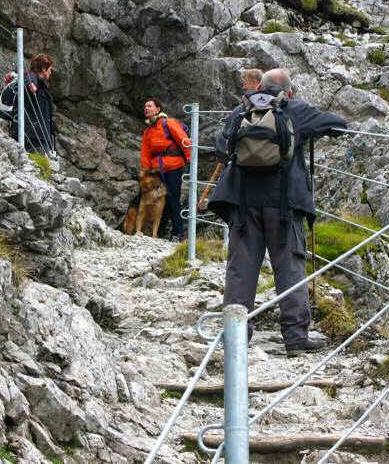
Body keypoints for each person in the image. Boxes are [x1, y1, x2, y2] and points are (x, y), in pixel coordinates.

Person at [208, 68, 347, 356]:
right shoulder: (294, 108)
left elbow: (222, 146)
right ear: (289, 90)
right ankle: (296, 339)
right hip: (284, 206)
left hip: (244, 205)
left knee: (240, 270)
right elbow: (338, 123)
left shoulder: (243, 108)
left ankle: (236, 337)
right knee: (290, 269)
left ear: (261, 86)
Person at [140, 98, 191, 241]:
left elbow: (184, 140)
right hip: (157, 169)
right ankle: (159, 232)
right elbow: (145, 153)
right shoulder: (148, 132)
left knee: (173, 198)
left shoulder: (168, 123)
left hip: (174, 166)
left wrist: (189, 159)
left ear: (157, 109)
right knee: (160, 198)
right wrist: (145, 172)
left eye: (149, 106)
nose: (146, 108)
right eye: (145, 107)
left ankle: (178, 233)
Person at [12, 54, 55, 155]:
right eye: (50, 69)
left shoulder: (43, 85)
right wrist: (31, 85)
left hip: (39, 135)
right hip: (34, 137)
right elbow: (29, 81)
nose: (50, 72)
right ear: (44, 69)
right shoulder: (31, 78)